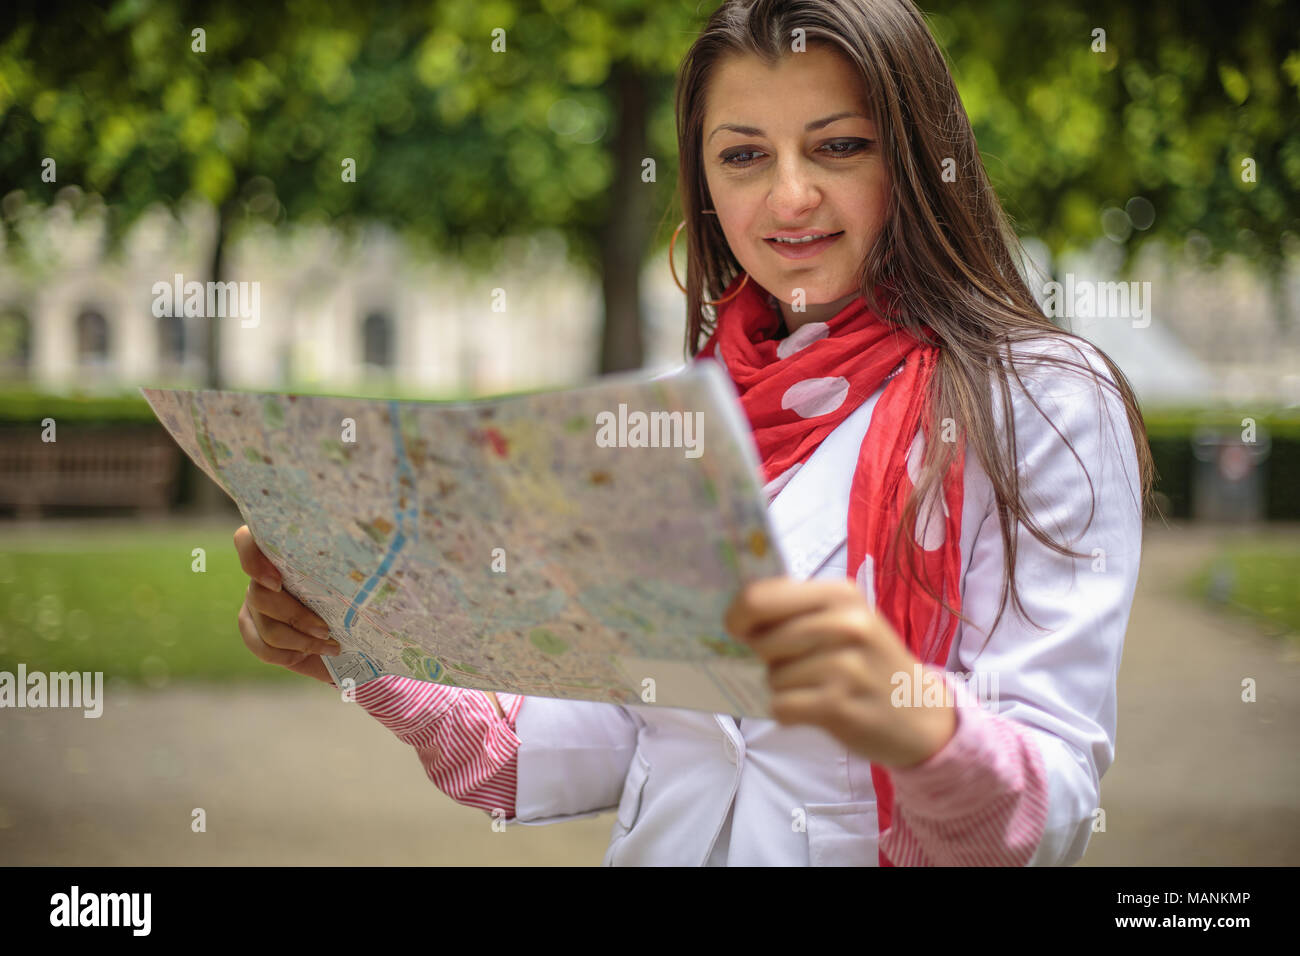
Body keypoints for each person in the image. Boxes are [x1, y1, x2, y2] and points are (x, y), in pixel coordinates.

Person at [234, 0, 1154, 866]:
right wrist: (360, 648)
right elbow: (579, 748)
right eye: (744, 156)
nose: (790, 197)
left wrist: (915, 717)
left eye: (838, 147)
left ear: (916, 157)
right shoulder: (673, 409)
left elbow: (1053, 808)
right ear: (704, 180)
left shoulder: (1042, 402)